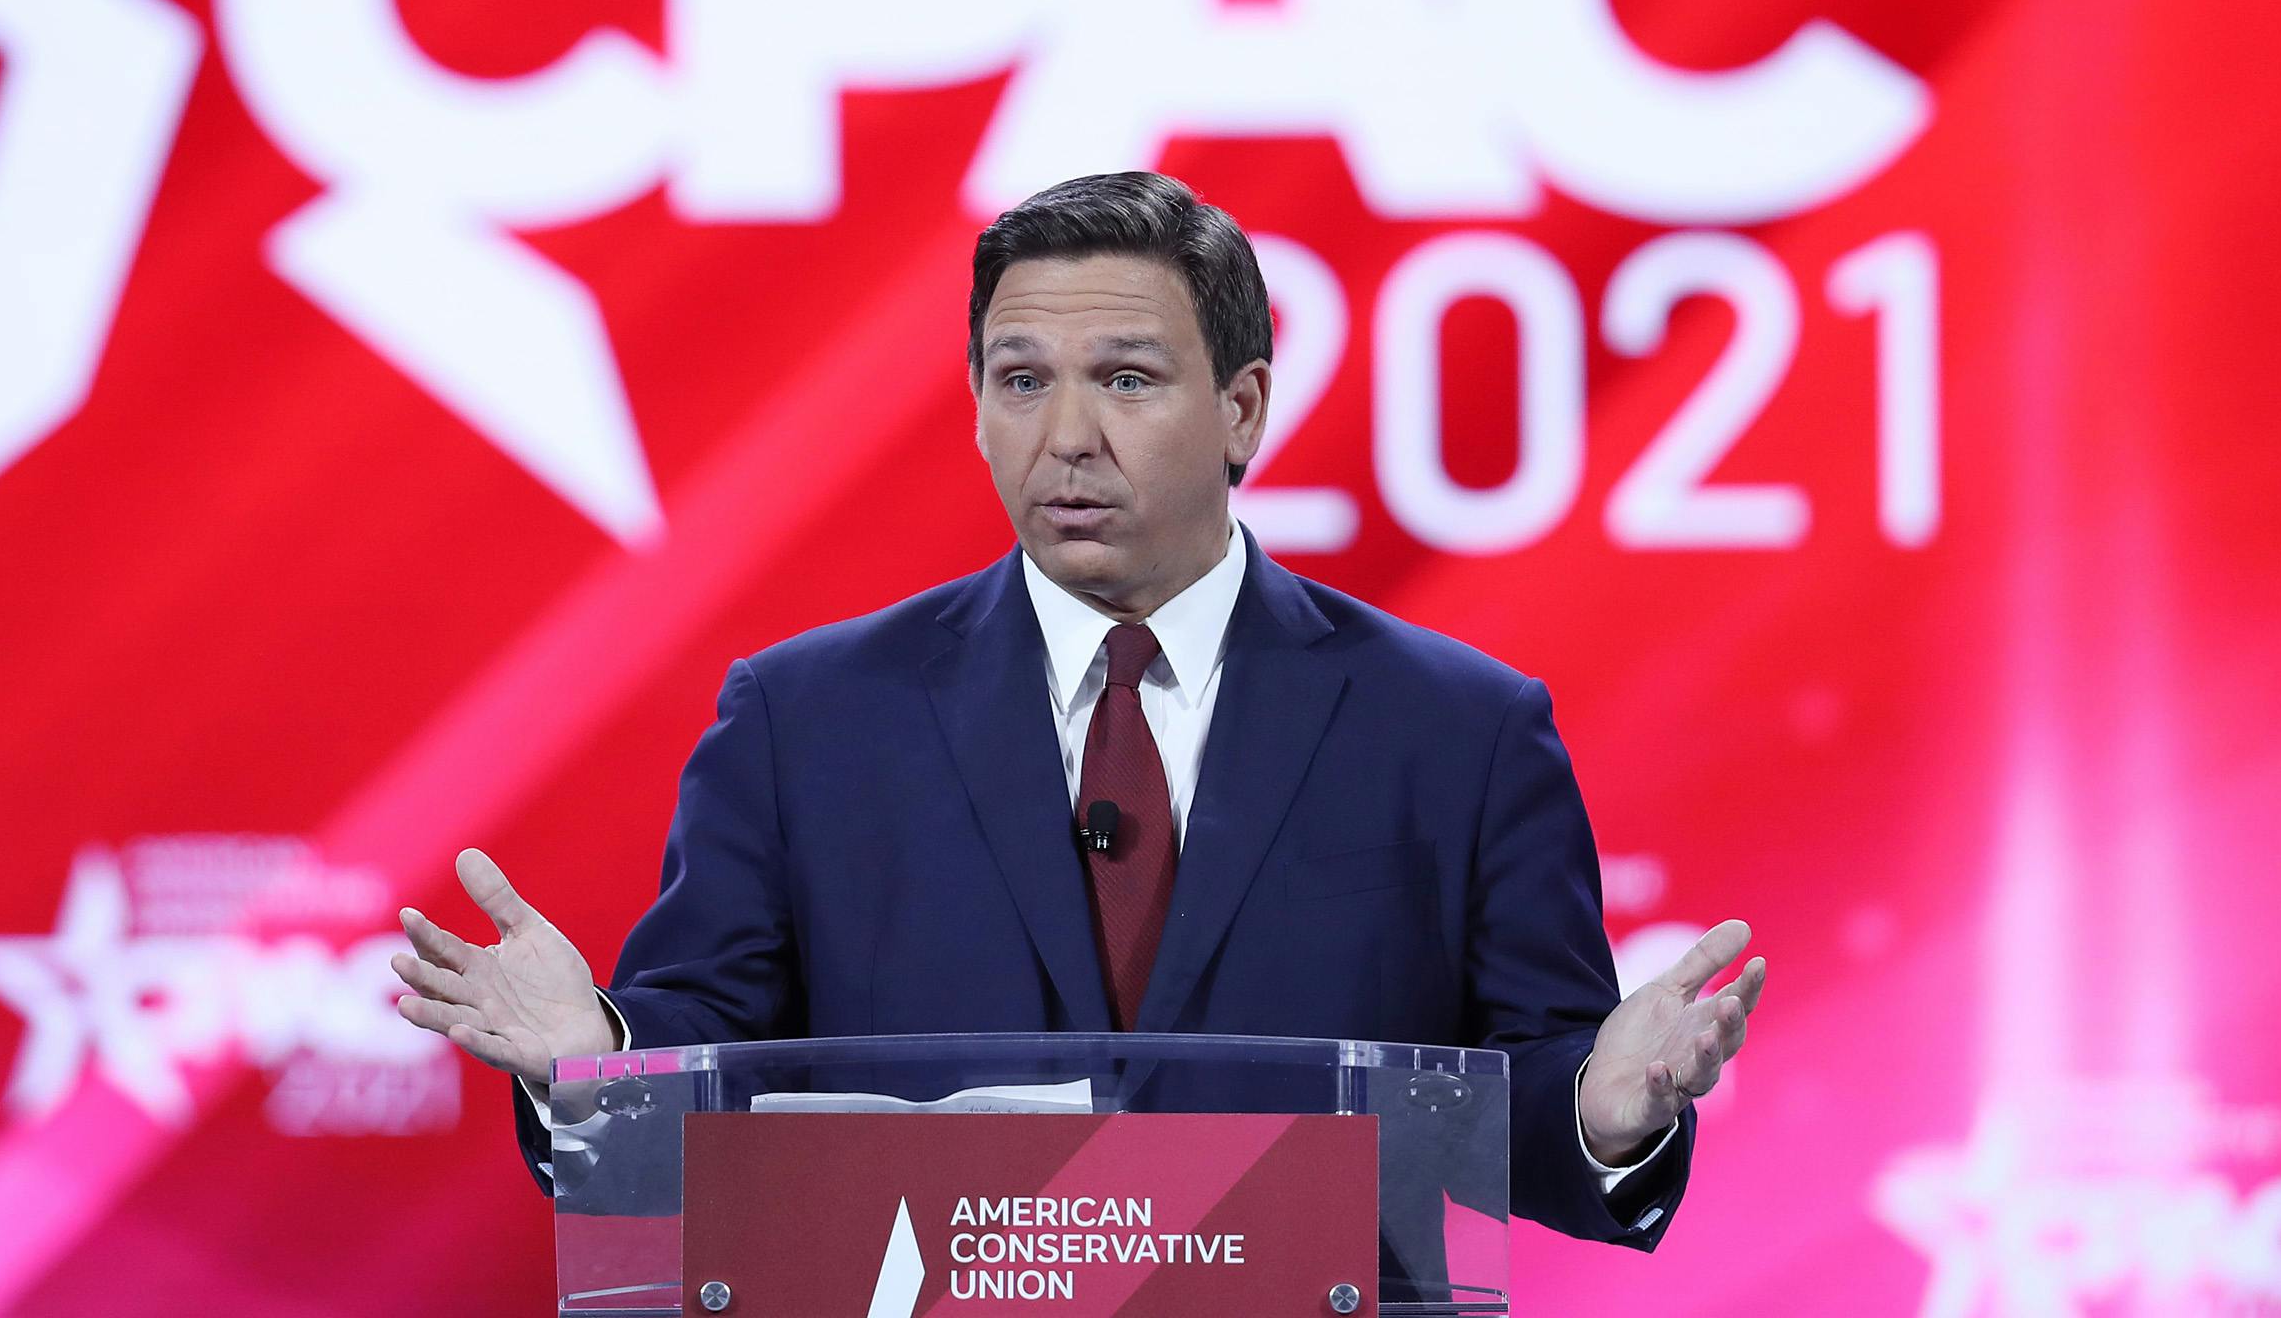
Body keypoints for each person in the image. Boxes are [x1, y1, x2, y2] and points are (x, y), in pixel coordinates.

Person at [391, 170, 1763, 1252]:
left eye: (1125, 378)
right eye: (1019, 379)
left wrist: (1600, 1111)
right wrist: (597, 1060)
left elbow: (1517, 1106)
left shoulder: (1456, 732)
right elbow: (711, 1086)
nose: (1064, 437)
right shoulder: (807, 720)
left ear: (1242, 411)